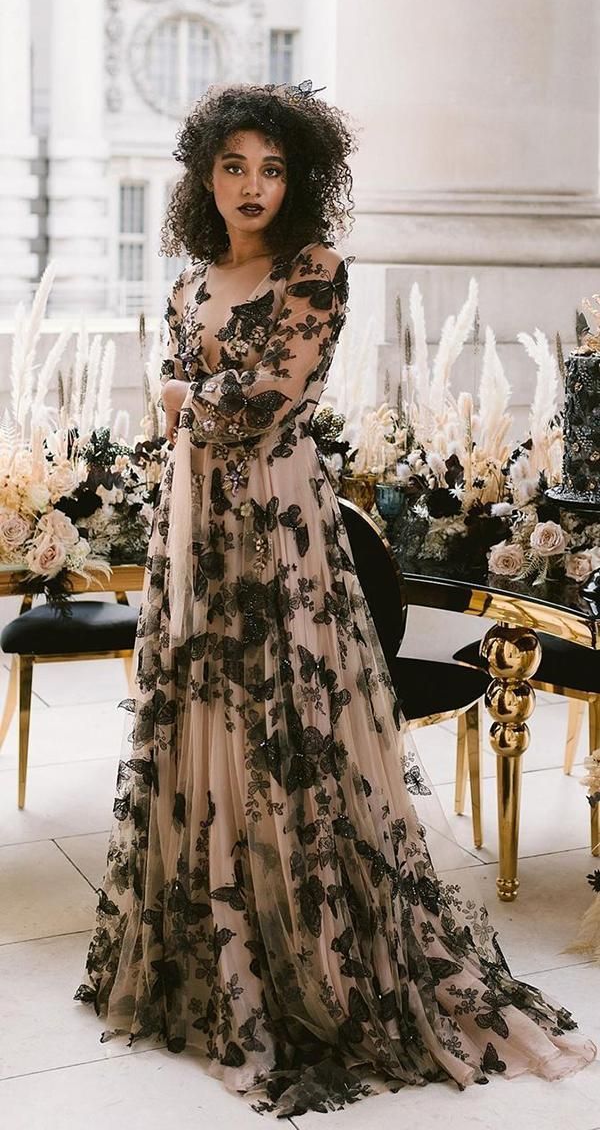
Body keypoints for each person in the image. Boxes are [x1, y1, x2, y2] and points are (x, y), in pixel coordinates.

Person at [74, 82, 596, 1117]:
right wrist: (180, 406)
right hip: (195, 526)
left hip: (277, 525)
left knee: (282, 720)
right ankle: (218, 952)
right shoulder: (189, 282)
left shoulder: (315, 272)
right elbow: (175, 410)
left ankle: (306, 954)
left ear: (298, 175)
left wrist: (186, 399)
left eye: (271, 167)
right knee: (205, 712)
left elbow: (268, 403)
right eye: (234, 166)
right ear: (205, 178)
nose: (253, 185)